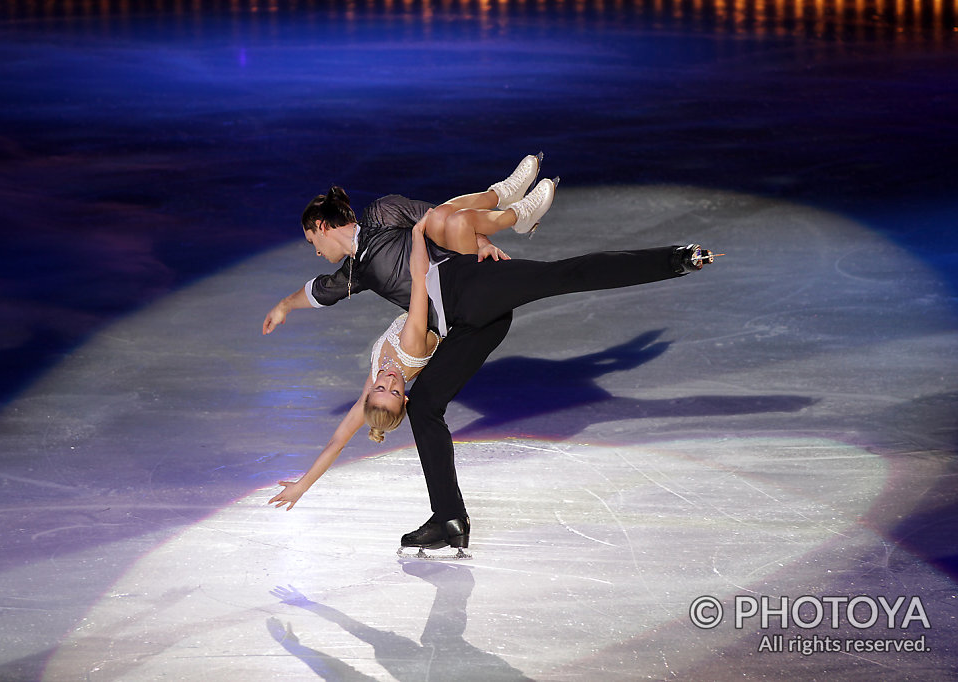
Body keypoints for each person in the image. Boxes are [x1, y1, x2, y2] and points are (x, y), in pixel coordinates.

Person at [263, 156, 716, 555]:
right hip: (469, 325)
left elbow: (434, 221)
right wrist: (284, 306)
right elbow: (317, 295)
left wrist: (478, 245)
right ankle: (450, 519)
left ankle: (671, 258)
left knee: (560, 273)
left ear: (321, 226)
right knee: (423, 407)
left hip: (470, 283)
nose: (315, 252)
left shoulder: (382, 213)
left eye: (311, 241)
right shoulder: (352, 274)